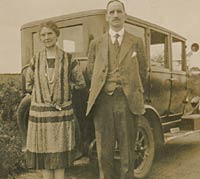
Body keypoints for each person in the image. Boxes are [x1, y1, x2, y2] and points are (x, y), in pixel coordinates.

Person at [86, 1, 147, 179]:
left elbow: (142, 71)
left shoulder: (136, 41)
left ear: (125, 16)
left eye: (119, 11)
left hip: (128, 102)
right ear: (107, 17)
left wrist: (128, 87)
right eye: (111, 12)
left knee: (128, 150)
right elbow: (91, 72)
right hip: (103, 101)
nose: (115, 15)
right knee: (104, 152)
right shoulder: (96, 43)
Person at [25, 21, 85, 179]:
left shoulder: (68, 58)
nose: (46, 37)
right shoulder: (35, 60)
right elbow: (28, 84)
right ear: (40, 38)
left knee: (60, 160)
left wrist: (63, 88)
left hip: (61, 116)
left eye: (49, 34)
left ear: (57, 35)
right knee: (44, 159)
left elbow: (80, 83)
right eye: (43, 35)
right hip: (41, 117)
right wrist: (43, 94)